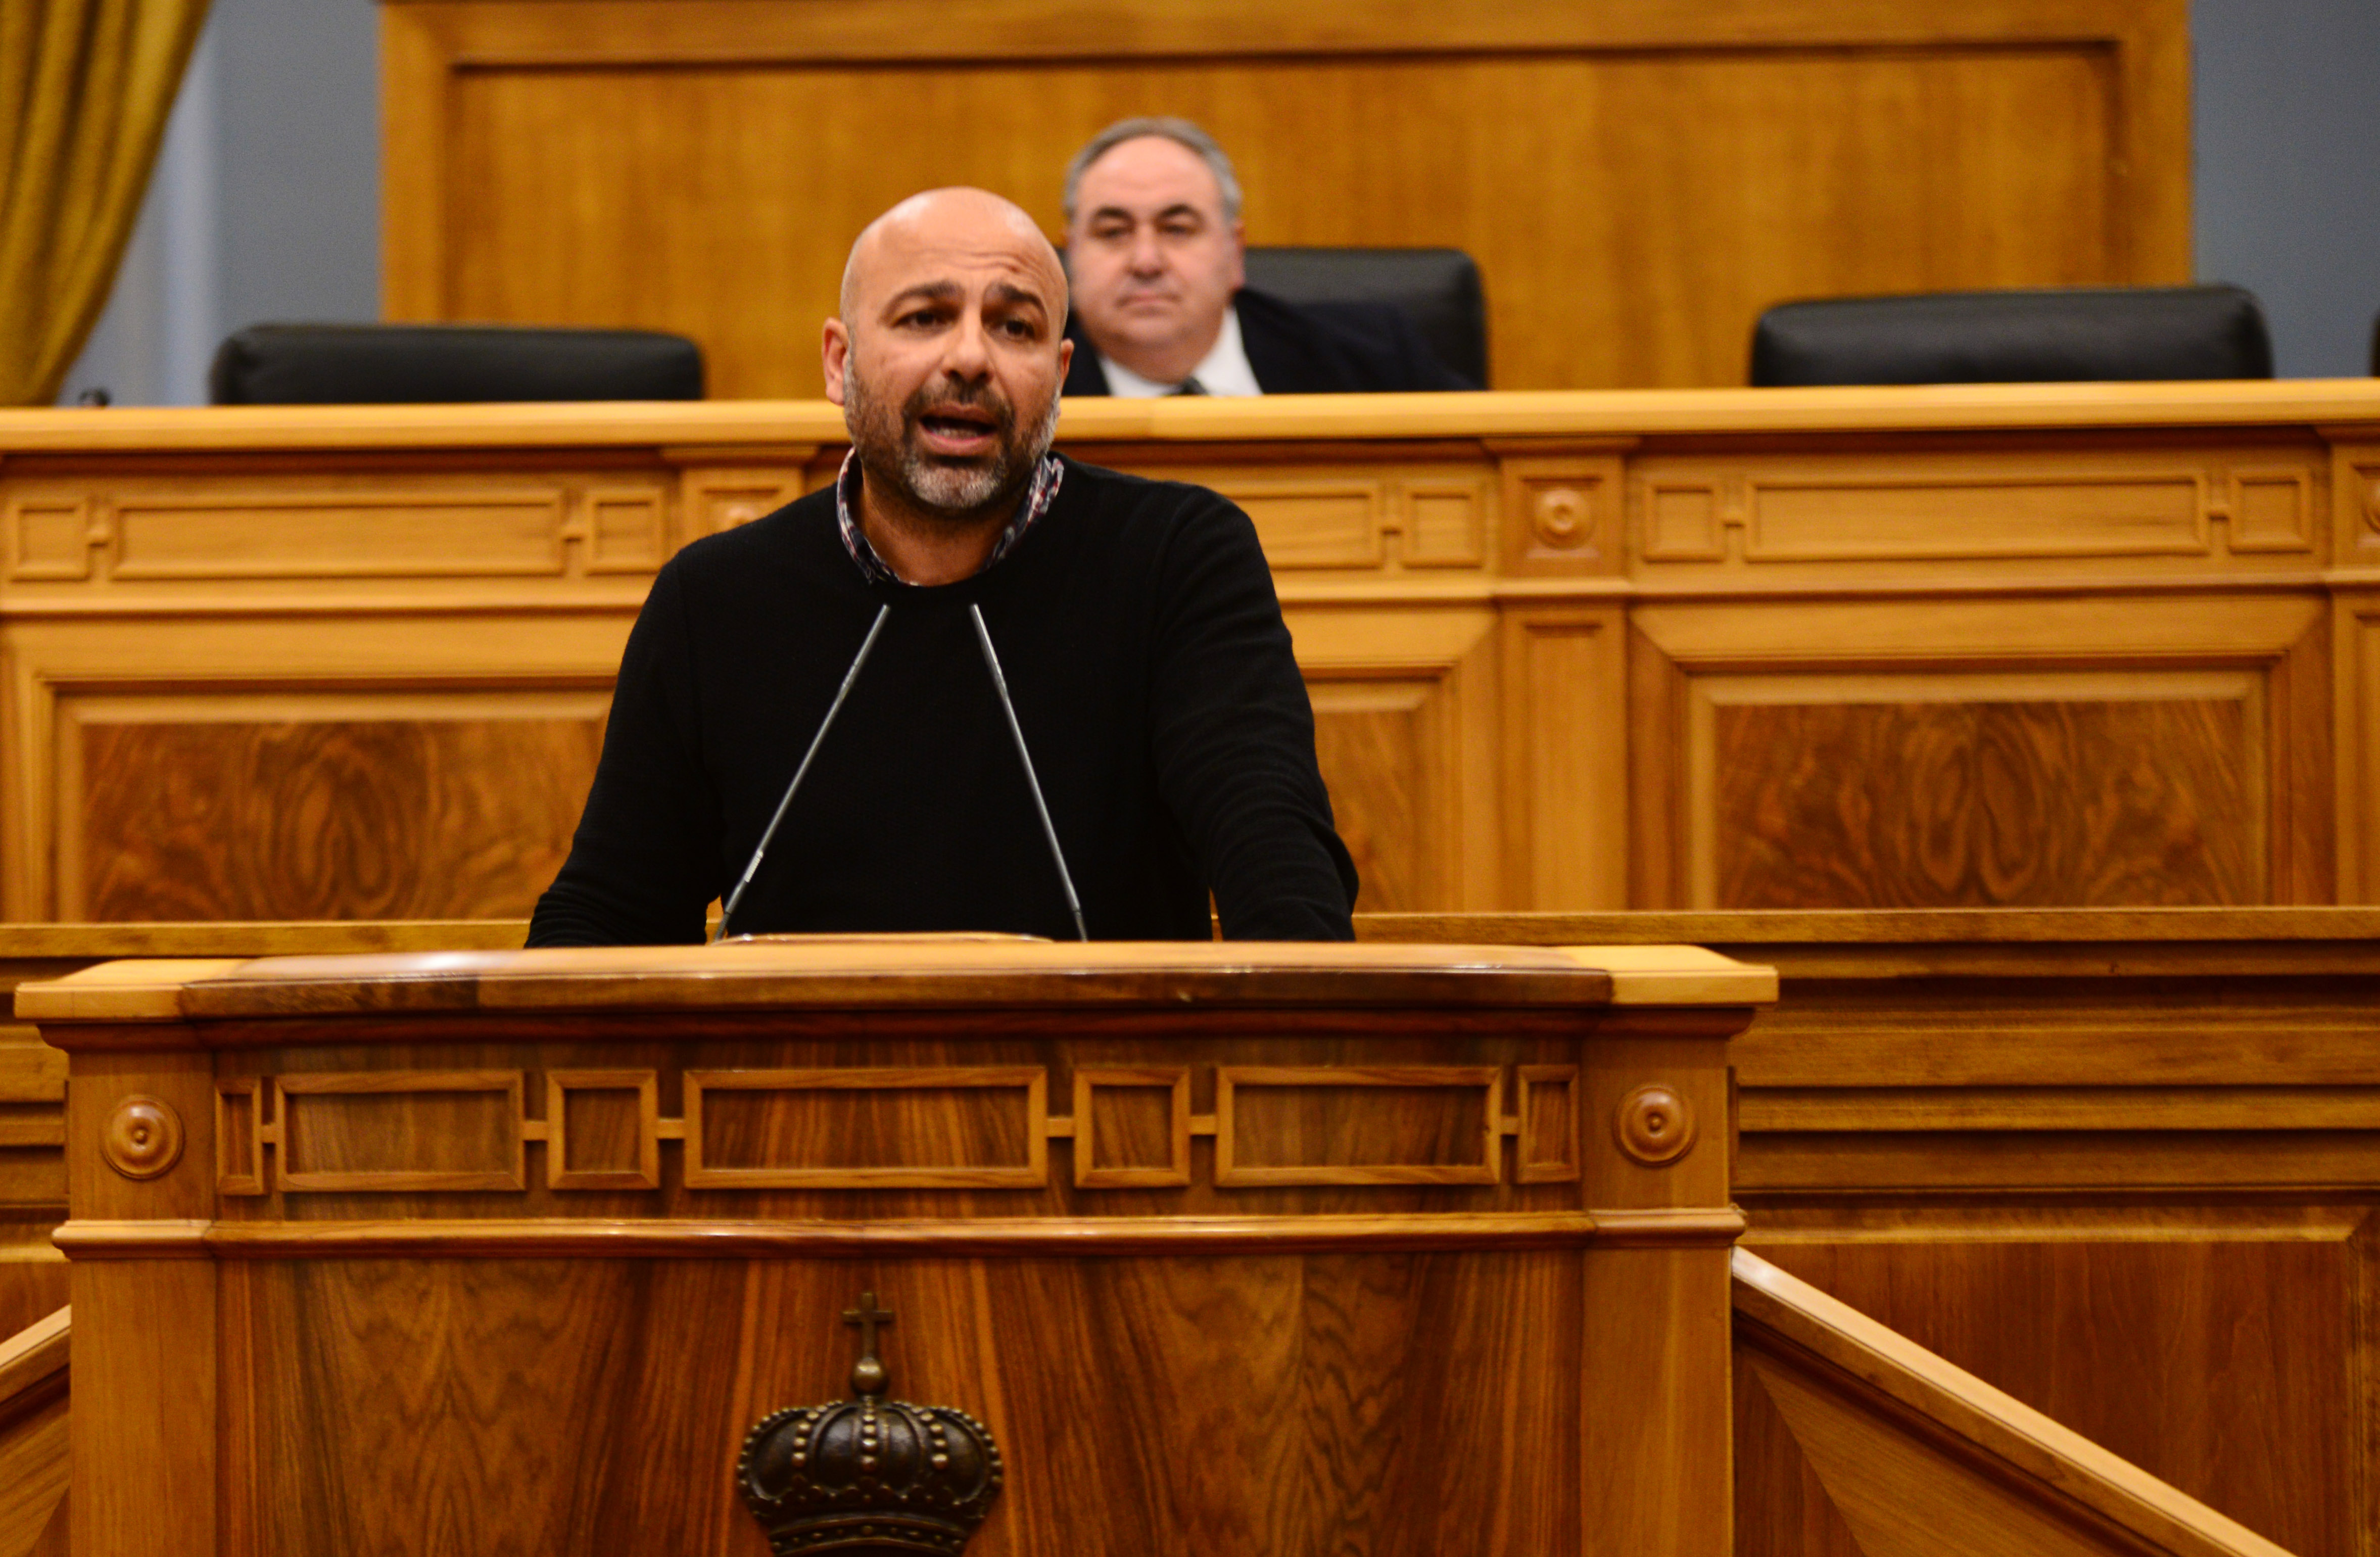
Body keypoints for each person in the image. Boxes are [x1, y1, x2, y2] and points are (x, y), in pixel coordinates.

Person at [527, 187, 1358, 947]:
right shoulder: (714, 599)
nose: (969, 359)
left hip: (1104, 1096)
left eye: (1015, 327)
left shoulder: (1177, 557)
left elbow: (1277, 863)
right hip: (791, 1099)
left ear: (1059, 379)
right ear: (837, 363)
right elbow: (608, 916)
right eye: (925, 318)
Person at [1060, 118, 1475, 397]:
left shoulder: (1372, 360)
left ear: (1234, 253)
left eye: (1177, 229)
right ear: (1072, 256)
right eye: (1113, 233)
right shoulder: (1026, 395)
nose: (1146, 261)